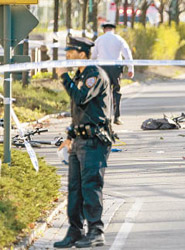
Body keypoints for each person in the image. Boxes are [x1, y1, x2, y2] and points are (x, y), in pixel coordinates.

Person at [54, 36, 114, 248]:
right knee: (74, 189)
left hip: (94, 140)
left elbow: (80, 98)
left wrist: (64, 78)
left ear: (82, 53)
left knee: (91, 186)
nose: (67, 56)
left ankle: (96, 231)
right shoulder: (80, 75)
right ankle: (75, 231)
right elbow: (78, 111)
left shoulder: (94, 74)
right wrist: (69, 136)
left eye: (70, 52)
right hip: (79, 140)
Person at [91, 22, 134, 125]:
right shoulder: (119, 39)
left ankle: (103, 117)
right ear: (113, 29)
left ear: (104, 29)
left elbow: (93, 56)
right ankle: (117, 117)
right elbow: (127, 54)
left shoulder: (99, 40)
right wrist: (130, 68)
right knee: (116, 92)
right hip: (116, 68)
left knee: (102, 92)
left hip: (102, 68)